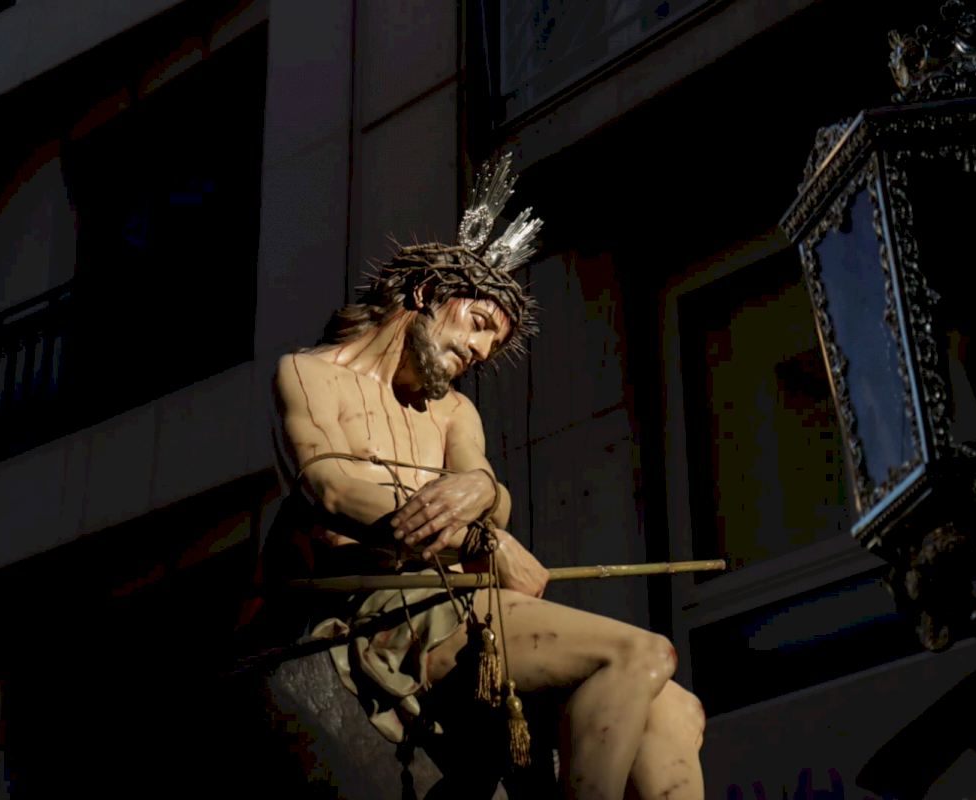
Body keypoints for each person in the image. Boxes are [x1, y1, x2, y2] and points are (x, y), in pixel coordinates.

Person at [265, 154, 706, 799]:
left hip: (472, 601)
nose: (477, 351)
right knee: (642, 653)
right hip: (395, 606)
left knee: (677, 709)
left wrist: (485, 498)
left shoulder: (452, 412)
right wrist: (480, 537)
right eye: (477, 326)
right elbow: (330, 487)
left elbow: (488, 493)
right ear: (426, 295)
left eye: (491, 347)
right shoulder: (310, 375)